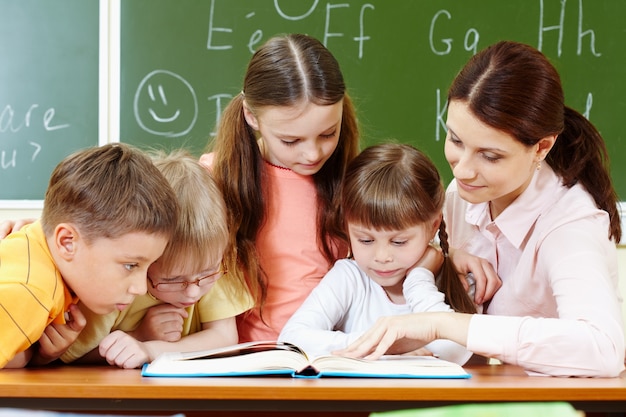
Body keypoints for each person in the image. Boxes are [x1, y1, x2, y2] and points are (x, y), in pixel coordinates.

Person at [337, 41, 625, 377]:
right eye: (456, 140)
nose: (462, 171)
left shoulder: (569, 223)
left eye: (490, 156)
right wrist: (445, 255)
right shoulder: (463, 196)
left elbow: (602, 347)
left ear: (542, 147)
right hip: (480, 388)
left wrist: (445, 325)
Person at [200, 33, 360, 342]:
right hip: (239, 364)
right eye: (291, 140)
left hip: (327, 359)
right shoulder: (212, 179)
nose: (312, 154)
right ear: (251, 116)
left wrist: (443, 256)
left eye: (328, 134)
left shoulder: (353, 182)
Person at [278, 143, 476, 364]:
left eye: (399, 241)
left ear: (433, 226)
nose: (382, 256)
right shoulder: (349, 278)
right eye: (366, 240)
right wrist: (385, 347)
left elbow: (454, 350)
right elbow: (291, 340)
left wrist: (419, 279)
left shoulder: (460, 280)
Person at [58, 150, 253, 369]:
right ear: (144, 261)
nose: (192, 292)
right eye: (172, 279)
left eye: (206, 274)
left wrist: (151, 350)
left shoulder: (213, 261)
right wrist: (140, 335)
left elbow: (224, 338)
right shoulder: (119, 287)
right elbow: (71, 356)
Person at [0, 143, 178, 368]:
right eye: (131, 265)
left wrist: (39, 355)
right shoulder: (33, 291)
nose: (141, 288)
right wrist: (27, 355)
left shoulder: (34, 243)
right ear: (66, 242)